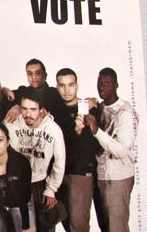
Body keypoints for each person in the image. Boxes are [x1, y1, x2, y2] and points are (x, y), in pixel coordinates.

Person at [82, 67, 138, 232]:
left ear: (116, 85)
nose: (102, 87)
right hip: (102, 177)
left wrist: (96, 131)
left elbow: (121, 150)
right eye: (99, 83)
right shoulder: (100, 107)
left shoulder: (126, 112)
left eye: (107, 83)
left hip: (119, 178)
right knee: (106, 227)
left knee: (117, 228)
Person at [5, 90, 65, 232]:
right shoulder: (11, 124)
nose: (28, 114)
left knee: (45, 225)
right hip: (16, 183)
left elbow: (60, 162)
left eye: (33, 109)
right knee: (20, 227)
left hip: (39, 184)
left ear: (42, 110)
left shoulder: (53, 129)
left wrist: (51, 189)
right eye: (24, 109)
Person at [54, 68, 101, 232]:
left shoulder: (89, 108)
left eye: (71, 85)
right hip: (58, 174)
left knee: (78, 225)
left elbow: (96, 145)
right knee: (64, 221)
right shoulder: (54, 107)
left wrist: (80, 132)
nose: (67, 90)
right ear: (57, 86)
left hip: (79, 173)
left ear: (77, 86)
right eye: (62, 85)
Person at [6, 59, 68, 130]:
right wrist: (5, 90)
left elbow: (63, 122)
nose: (34, 77)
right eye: (30, 74)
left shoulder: (55, 93)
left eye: (38, 73)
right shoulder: (22, 91)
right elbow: (1, 94)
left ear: (45, 75)